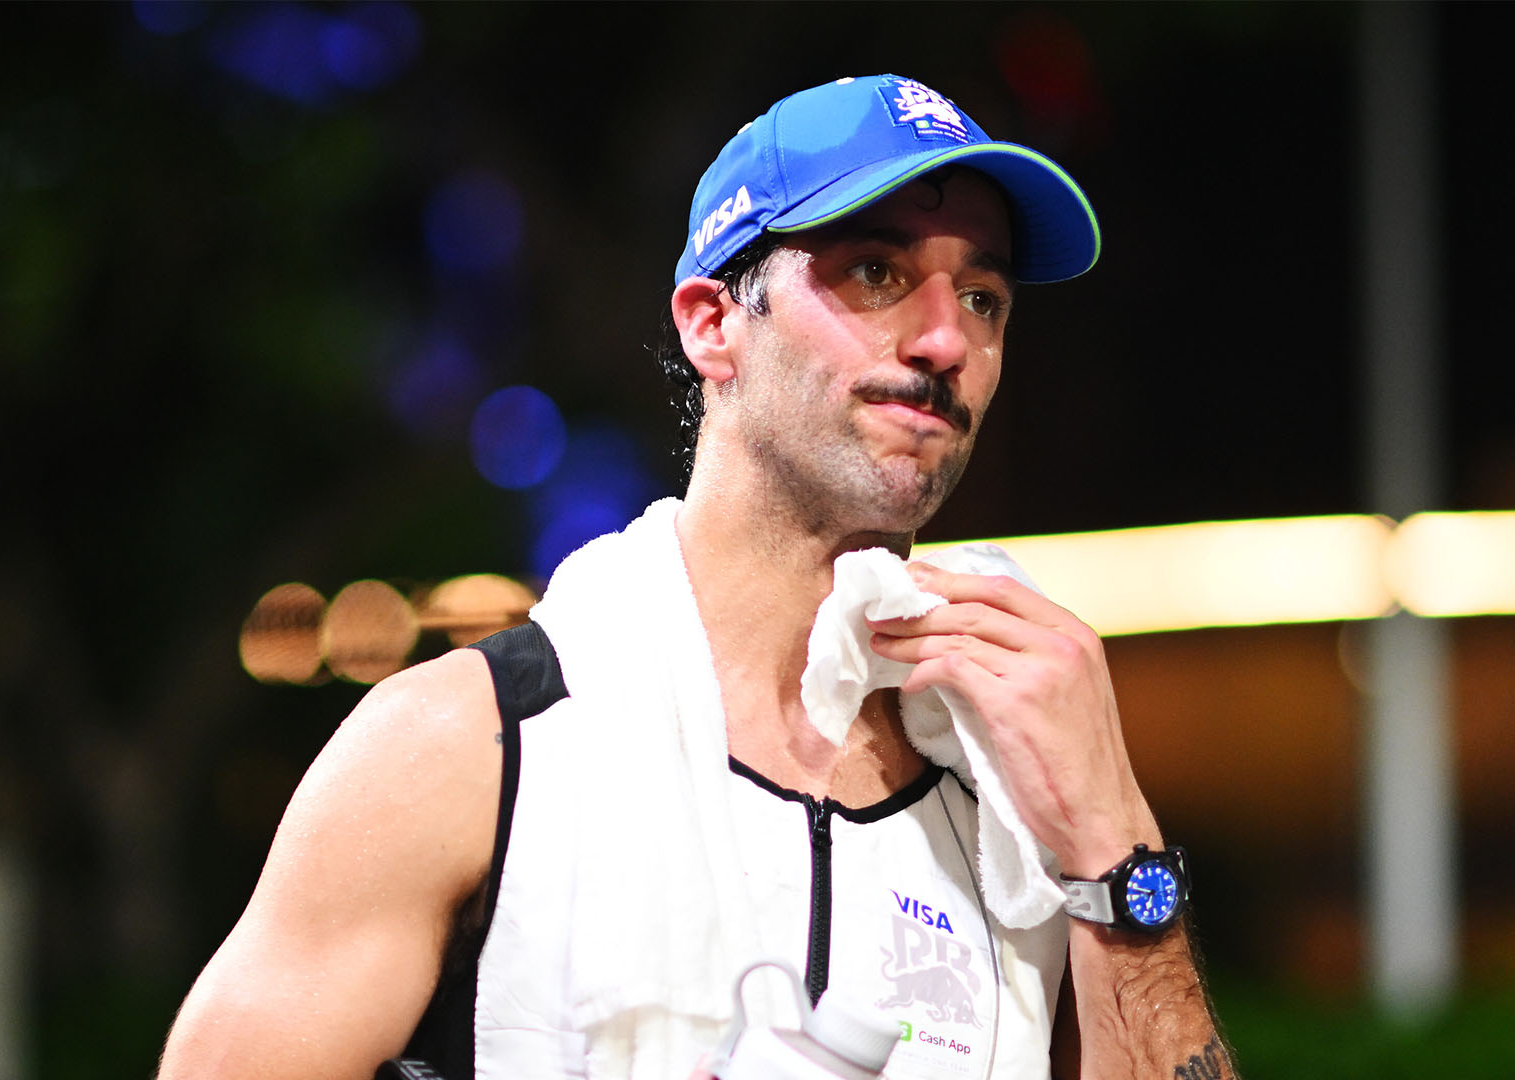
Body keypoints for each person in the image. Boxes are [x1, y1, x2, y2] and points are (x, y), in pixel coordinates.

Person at [159, 74, 1234, 1080]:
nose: (948, 338)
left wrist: (1115, 849)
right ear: (713, 324)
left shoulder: (1019, 796)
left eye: (987, 298)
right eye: (877, 272)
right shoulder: (473, 747)